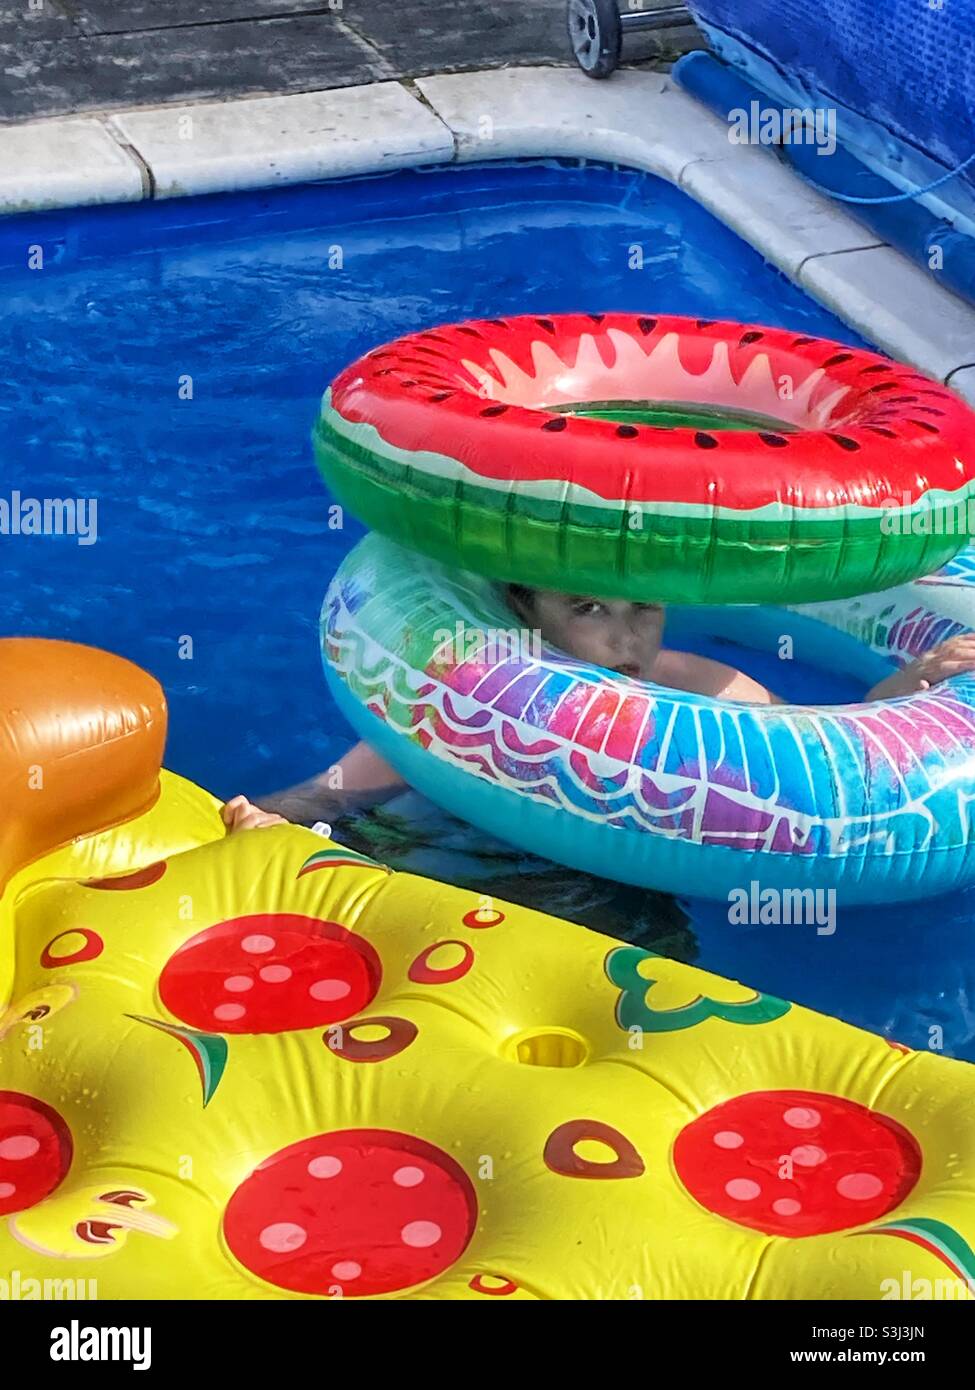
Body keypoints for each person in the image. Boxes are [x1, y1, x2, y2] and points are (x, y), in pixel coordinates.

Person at [222, 584, 975, 834]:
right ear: (523, 610)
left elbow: (825, 752)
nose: (626, 638)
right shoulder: (475, 702)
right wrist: (271, 818)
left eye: (642, 608)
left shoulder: (697, 685)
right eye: (587, 608)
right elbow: (330, 797)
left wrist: (903, 688)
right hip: (473, 865)